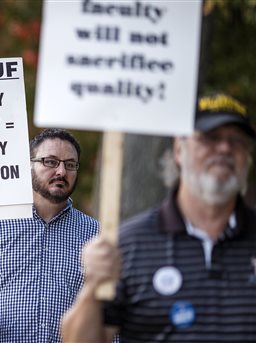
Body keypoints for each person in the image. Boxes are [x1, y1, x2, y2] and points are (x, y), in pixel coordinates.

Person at [61, 92, 256, 342]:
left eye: (238, 141)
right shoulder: (127, 244)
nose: (225, 148)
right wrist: (92, 288)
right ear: (178, 149)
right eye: (210, 137)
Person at [0, 128, 100, 342]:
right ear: (28, 166)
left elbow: (109, 308)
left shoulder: (95, 235)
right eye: (51, 162)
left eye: (70, 164)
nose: (62, 171)